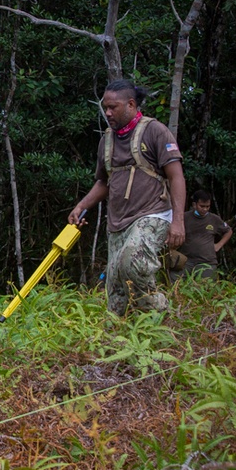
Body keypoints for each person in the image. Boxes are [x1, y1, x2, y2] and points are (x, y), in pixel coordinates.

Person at [69, 80, 186, 315]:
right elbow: (104, 181)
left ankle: (161, 313)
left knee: (133, 262)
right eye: (105, 107)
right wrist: (82, 205)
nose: (108, 112)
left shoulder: (155, 131)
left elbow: (176, 177)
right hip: (118, 222)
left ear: (131, 105)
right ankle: (123, 341)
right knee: (116, 295)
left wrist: (178, 221)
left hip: (152, 213)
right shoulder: (107, 140)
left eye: (113, 107)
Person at [172, 189, 232, 281]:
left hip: (207, 261)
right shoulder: (184, 217)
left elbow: (228, 231)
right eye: (202, 206)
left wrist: (219, 245)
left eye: (207, 206)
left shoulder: (214, 219)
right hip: (185, 260)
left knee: (205, 286)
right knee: (173, 282)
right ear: (194, 205)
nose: (205, 209)